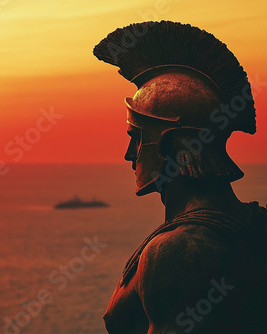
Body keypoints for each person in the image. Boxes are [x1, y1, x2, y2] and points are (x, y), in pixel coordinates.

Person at [93, 21, 267, 333]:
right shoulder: (256, 225)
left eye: (135, 137)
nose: (129, 154)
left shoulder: (175, 252)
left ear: (170, 143)